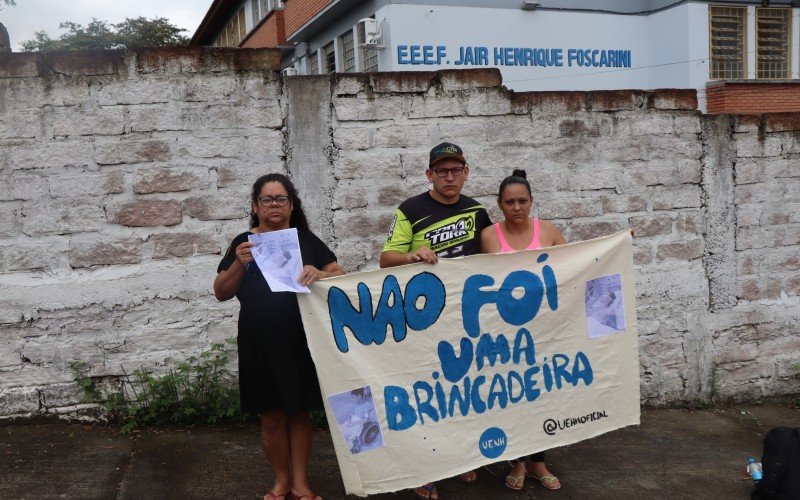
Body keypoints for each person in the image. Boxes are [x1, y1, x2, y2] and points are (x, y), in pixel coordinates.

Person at [214, 173, 345, 500]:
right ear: (256, 206)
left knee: (299, 413)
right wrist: (239, 266)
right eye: (267, 199)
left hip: (301, 340)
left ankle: (301, 483)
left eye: (281, 199)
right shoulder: (244, 243)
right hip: (258, 343)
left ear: (291, 205)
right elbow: (220, 292)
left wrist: (320, 273)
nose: (274, 205)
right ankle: (281, 482)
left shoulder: (304, 239)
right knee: (271, 416)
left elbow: (339, 274)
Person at [380, 142, 492, 499]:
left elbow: (495, 257)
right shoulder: (410, 209)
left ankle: (458, 459)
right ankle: (424, 468)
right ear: (429, 174)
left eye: (455, 170)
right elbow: (386, 258)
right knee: (425, 391)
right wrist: (412, 255)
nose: (449, 177)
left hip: (465, 318)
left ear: (466, 172)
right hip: (422, 320)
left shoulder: (477, 212)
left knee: (461, 390)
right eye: (441, 171)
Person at [480, 168, 566, 492]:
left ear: (531, 202)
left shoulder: (549, 232)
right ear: (499, 205)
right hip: (503, 333)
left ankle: (538, 461)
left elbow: (573, 268)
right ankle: (516, 459)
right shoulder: (489, 236)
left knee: (542, 394)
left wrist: (614, 249)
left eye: (522, 201)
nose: (517, 207)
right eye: (510, 202)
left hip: (543, 328)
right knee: (511, 394)